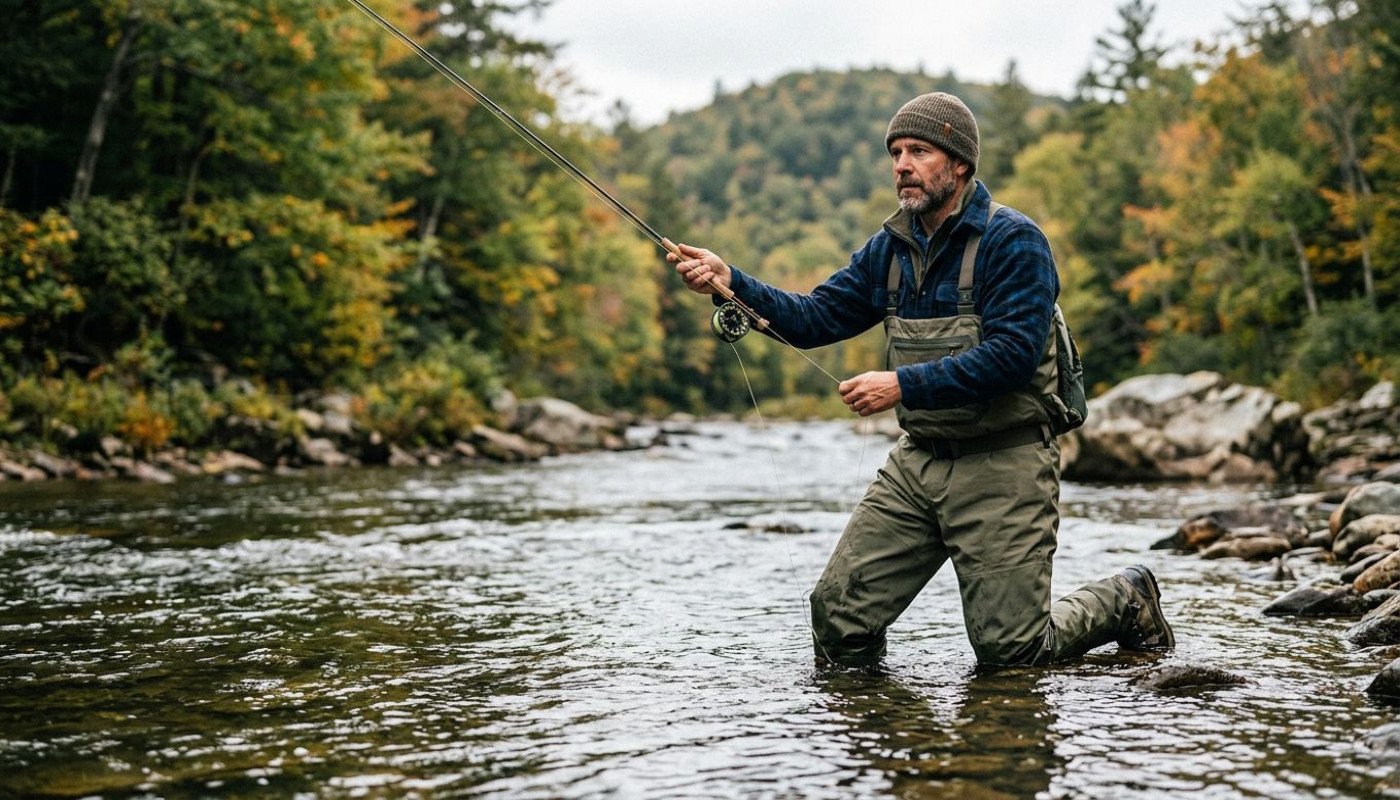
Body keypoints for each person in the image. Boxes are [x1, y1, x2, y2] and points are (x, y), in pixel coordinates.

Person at [669, 92, 1175, 668]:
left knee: (1011, 652)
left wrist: (901, 385)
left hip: (1004, 461)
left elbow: (1012, 356)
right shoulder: (890, 248)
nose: (902, 165)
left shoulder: (1014, 241)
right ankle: (876, 718)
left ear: (959, 164)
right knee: (838, 622)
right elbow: (814, 318)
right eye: (895, 153)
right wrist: (731, 281)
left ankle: (1125, 597)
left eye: (918, 151)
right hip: (919, 463)